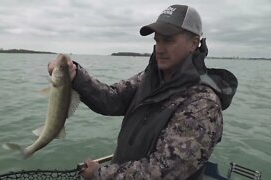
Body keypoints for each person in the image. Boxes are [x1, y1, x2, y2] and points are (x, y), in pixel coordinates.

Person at [48, 4, 238, 180]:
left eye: (169, 40)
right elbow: (112, 99)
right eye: (157, 40)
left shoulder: (203, 104)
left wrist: (99, 174)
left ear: (194, 43)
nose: (160, 49)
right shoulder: (150, 79)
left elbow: (162, 171)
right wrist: (74, 76)